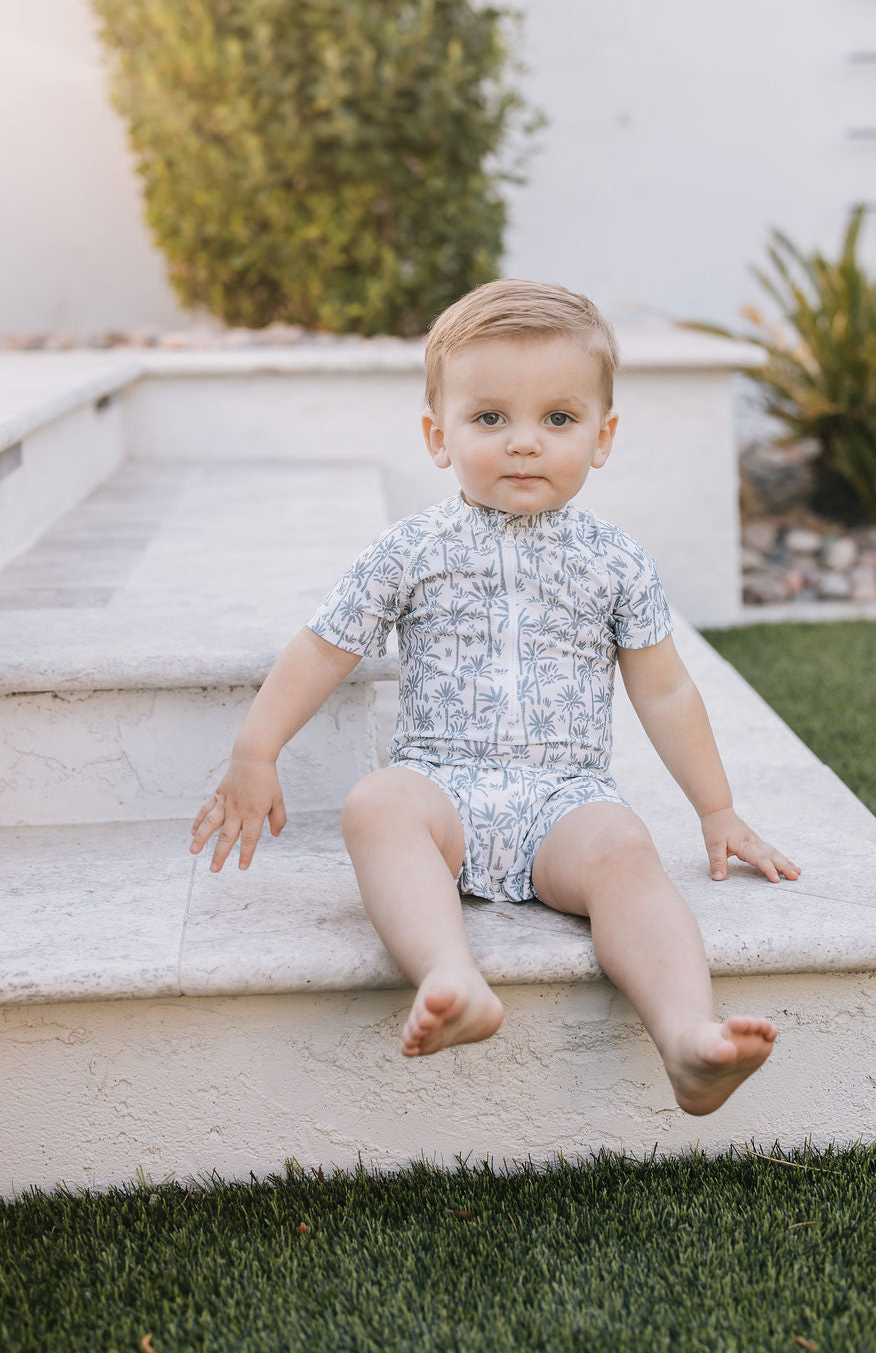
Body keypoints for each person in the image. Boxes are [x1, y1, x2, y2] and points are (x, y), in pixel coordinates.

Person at [190, 279, 800, 1116]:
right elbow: (322, 649)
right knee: (377, 806)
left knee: (625, 850)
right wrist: (254, 754)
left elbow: (664, 692)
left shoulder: (616, 561)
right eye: (490, 419)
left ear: (603, 436)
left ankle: (690, 1039)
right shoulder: (411, 549)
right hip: (440, 782)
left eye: (557, 419)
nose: (524, 444)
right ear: (439, 437)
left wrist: (717, 809)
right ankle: (450, 974)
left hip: (565, 800)